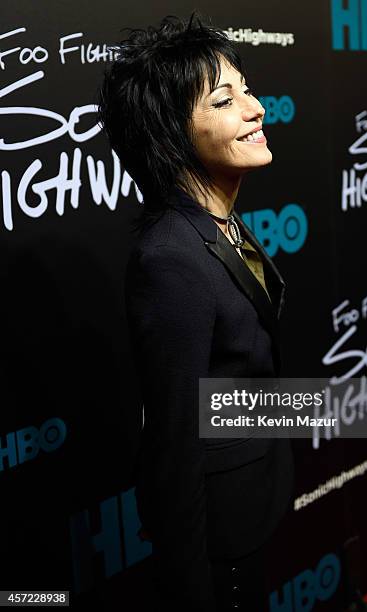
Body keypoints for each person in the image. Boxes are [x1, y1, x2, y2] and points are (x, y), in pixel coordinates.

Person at [97, 13, 295, 612]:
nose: (255, 108)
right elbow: (174, 442)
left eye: (247, 89)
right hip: (217, 547)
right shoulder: (170, 257)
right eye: (224, 99)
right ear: (173, 135)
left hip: (254, 501)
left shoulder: (219, 222)